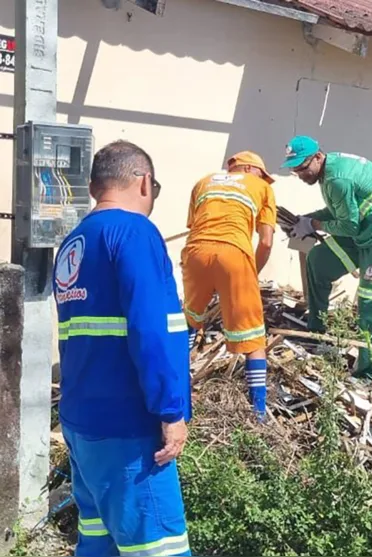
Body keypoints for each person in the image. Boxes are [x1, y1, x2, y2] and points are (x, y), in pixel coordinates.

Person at [53, 140, 192, 557]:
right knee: (160, 549)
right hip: (130, 430)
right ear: (144, 182)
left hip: (83, 427)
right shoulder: (134, 232)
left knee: (98, 543)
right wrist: (171, 411)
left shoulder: (74, 242)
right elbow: (153, 330)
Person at [281, 136, 372, 378]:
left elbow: (348, 226)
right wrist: (304, 220)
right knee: (318, 261)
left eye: (302, 167)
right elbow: (340, 212)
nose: (300, 174)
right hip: (365, 228)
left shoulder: (337, 180)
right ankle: (317, 334)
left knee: (370, 304)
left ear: (318, 157)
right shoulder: (330, 172)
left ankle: (369, 371)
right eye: (295, 170)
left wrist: (312, 224)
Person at [181, 151, 276, 421]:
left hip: (195, 252)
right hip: (234, 254)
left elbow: (195, 226)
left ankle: (178, 398)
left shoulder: (204, 181)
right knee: (255, 336)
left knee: (190, 322)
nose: (264, 179)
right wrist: (250, 273)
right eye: (262, 173)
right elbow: (266, 242)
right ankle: (258, 414)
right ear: (248, 168)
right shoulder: (262, 189)